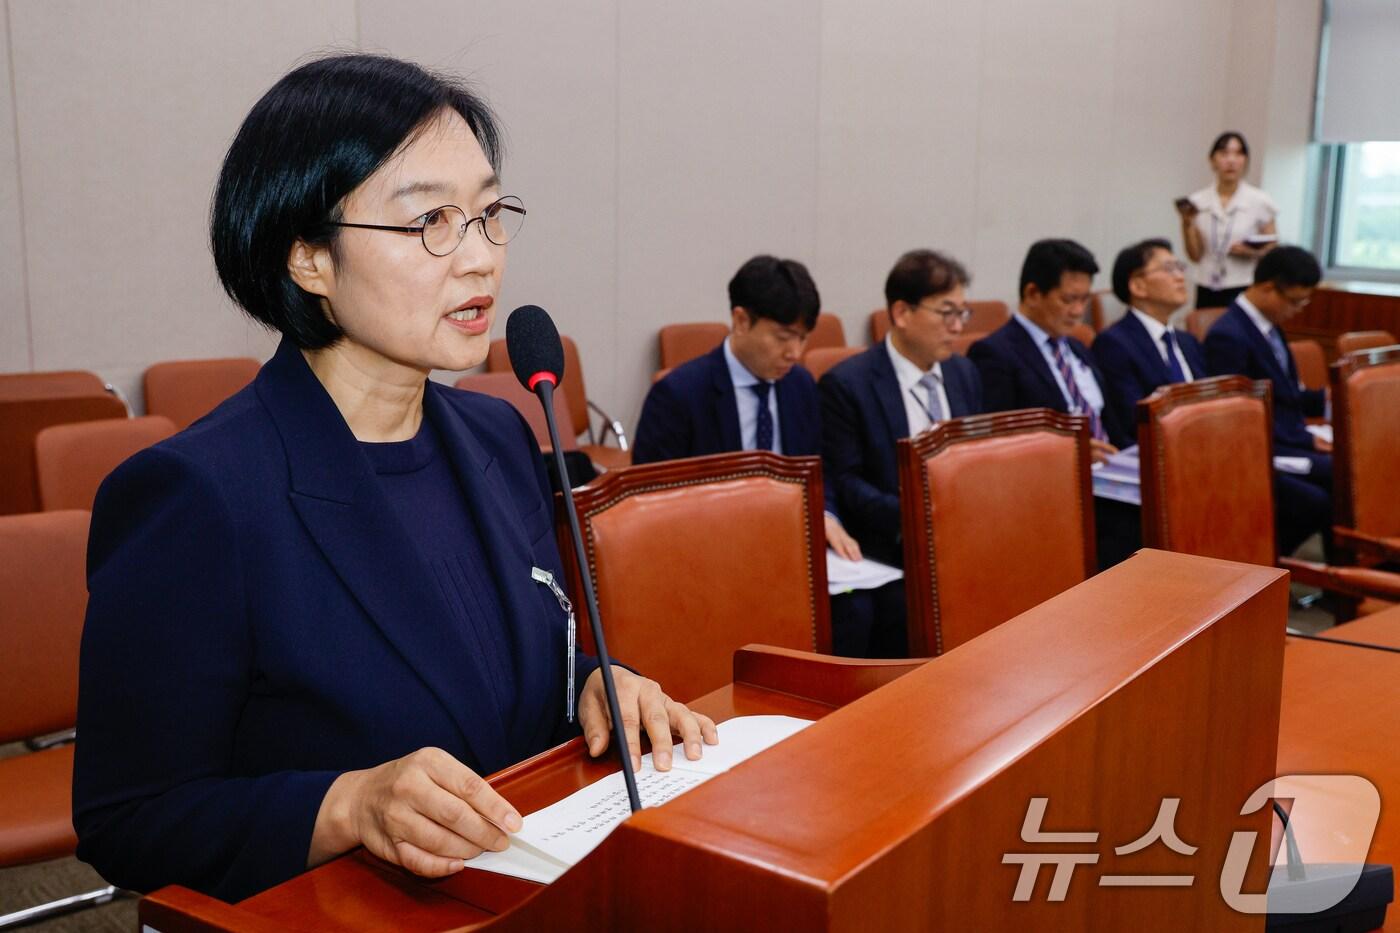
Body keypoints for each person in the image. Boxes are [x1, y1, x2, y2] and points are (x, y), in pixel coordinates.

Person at [72, 54, 716, 904]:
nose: (481, 258)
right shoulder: (198, 496)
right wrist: (347, 803)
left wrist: (598, 679)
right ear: (308, 258)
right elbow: (131, 818)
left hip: (515, 896)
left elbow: (499, 670)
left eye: (489, 215)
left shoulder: (498, 432)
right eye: (430, 223)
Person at [632, 254, 860, 560]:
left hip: (789, 542)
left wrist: (826, 515)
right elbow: (651, 502)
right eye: (783, 338)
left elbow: (819, 471)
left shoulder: (801, 385)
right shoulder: (678, 396)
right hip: (709, 548)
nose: (795, 352)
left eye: (803, 339)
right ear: (741, 321)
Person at [819, 250, 982, 656]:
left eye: (963, 313)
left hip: (968, 535)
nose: (957, 327)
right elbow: (847, 480)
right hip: (891, 542)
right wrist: (918, 516)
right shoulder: (848, 384)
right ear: (902, 313)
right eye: (946, 313)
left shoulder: (964, 373)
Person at [1203, 245, 1331, 555]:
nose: (1299, 308)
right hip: (1264, 447)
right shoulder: (1229, 335)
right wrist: (1305, 439)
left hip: (1288, 437)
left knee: (1345, 474)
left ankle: (1350, 570)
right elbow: (1239, 416)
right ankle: (1264, 563)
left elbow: (1285, 395)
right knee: (1333, 480)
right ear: (1267, 288)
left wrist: (1327, 401)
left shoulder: (1270, 327)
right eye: (1295, 300)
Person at [968, 239, 1128, 458]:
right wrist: (1070, 455)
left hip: (1112, 472)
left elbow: (1111, 424)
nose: (1078, 311)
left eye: (1084, 300)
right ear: (1033, 294)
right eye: (1068, 300)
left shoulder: (1077, 348)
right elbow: (1000, 443)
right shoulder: (995, 354)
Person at [1092, 238, 1205, 433]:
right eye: (1169, 268)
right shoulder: (1114, 344)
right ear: (1138, 286)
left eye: (1180, 267)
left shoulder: (1188, 342)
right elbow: (1132, 421)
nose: (1180, 277)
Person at [1177, 132, 1278, 309]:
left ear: (1245, 160)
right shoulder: (1198, 201)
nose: (1231, 160)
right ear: (1212, 160)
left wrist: (1251, 252)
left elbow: (1273, 248)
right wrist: (1187, 224)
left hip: (1244, 283)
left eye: (1238, 154)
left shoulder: (1260, 201)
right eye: (1224, 153)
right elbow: (1195, 255)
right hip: (1207, 284)